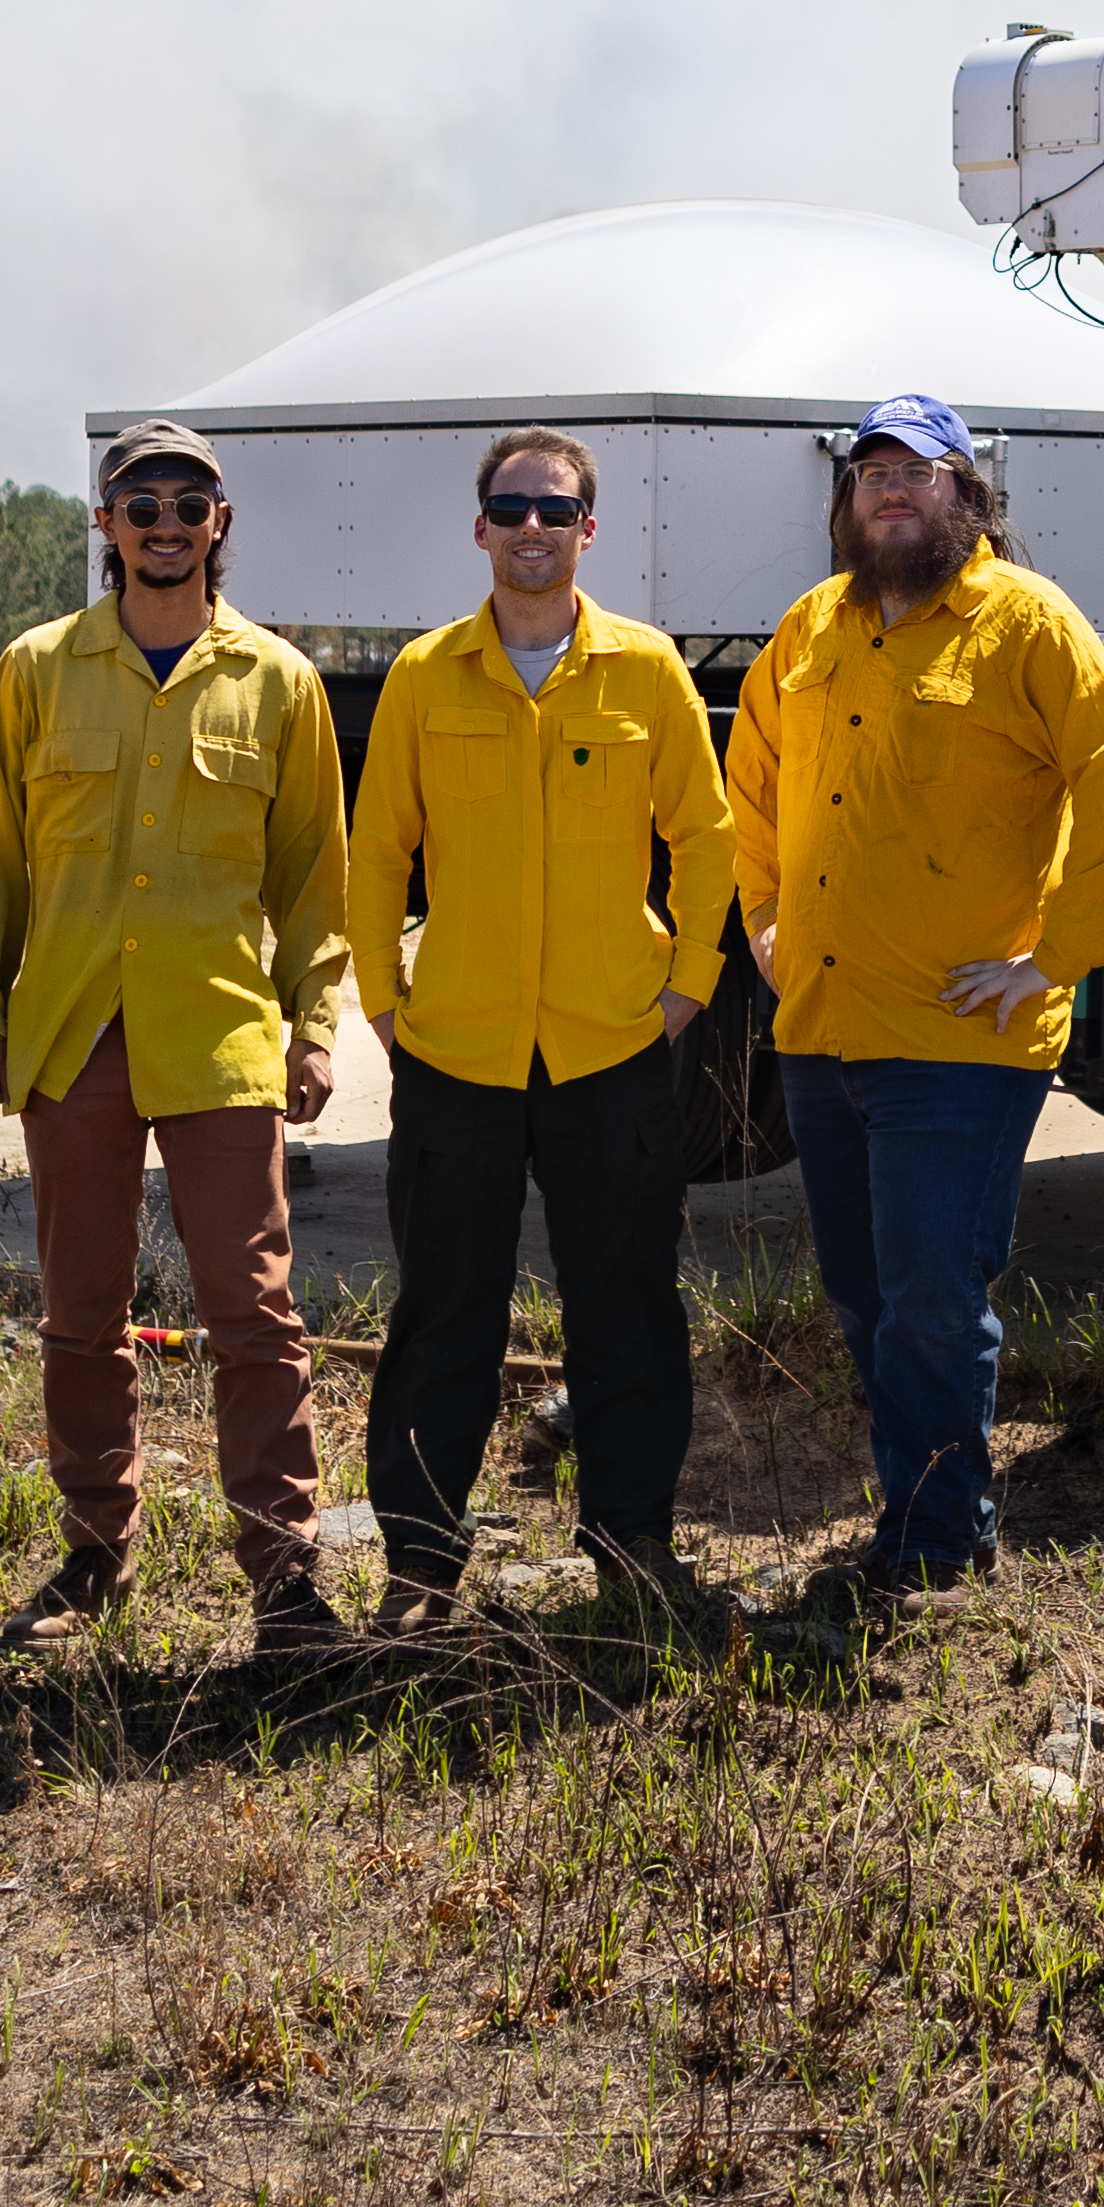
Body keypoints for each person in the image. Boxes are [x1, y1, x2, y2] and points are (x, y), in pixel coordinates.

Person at [726, 394, 1104, 1596]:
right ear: (846, 499)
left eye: (919, 472)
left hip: (961, 1037)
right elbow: (747, 782)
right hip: (822, 1026)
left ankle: (931, 1537)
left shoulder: (1026, 623)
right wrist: (762, 921)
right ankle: (935, 1506)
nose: (891, 489)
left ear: (969, 495)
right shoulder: (811, 627)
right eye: (871, 472)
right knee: (865, 1290)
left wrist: (1053, 955)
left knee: (931, 1291)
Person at [0, 419, 358, 1654]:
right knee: (82, 1309)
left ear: (220, 523)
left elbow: (314, 881)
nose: (166, 520)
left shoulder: (277, 682)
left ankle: (285, 1579)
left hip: (223, 1035)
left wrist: (315, 1025)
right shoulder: (35, 670)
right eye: (142, 500)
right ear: (104, 522)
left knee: (255, 1312)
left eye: (190, 500)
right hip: (74, 1036)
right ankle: (92, 1557)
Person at [348, 425, 738, 1631]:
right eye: (510, 509)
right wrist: (381, 1000)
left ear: (588, 529)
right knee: (444, 1306)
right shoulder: (425, 673)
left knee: (625, 1302)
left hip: (609, 1045)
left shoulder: (647, 670)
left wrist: (686, 985)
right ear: (479, 530)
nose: (532, 529)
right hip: (456, 1049)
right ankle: (419, 1560)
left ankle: (630, 1547)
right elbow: (380, 851)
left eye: (554, 510)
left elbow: (709, 837)